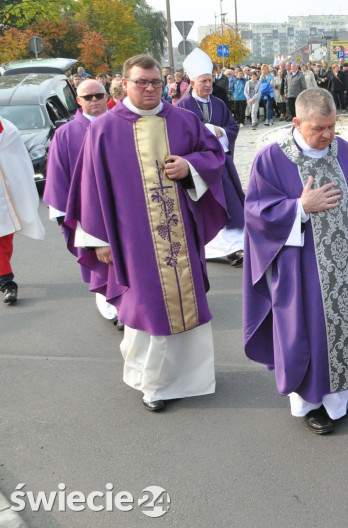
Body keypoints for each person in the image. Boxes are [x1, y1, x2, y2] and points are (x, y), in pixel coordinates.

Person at [65, 54, 227, 412]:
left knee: (186, 301)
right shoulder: (105, 129)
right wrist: (99, 239)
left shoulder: (183, 120)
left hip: (181, 235)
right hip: (133, 239)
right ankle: (155, 384)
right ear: (125, 84)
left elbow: (214, 156)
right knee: (148, 307)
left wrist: (190, 166)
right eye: (141, 82)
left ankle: (192, 377)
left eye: (155, 82)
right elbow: (90, 188)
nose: (150, 88)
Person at [243, 88, 348, 434]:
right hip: (300, 269)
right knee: (308, 333)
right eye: (319, 129)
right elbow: (256, 215)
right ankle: (309, 404)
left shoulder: (344, 151)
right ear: (297, 122)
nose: (328, 135)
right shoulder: (272, 158)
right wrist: (299, 207)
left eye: (332, 126)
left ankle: (338, 403)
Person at [42, 79, 119, 323]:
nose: (94, 100)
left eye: (98, 95)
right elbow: (56, 176)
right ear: (78, 100)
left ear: (106, 96)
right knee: (101, 259)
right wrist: (63, 215)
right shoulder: (64, 135)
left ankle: (130, 304)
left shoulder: (120, 125)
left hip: (121, 208)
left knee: (126, 257)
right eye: (88, 97)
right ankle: (112, 308)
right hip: (87, 212)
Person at [178, 49, 247, 267]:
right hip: (198, 167)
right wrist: (204, 131)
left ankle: (235, 248)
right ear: (192, 81)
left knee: (231, 204)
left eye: (210, 80)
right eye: (204, 81)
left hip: (222, 165)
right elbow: (178, 137)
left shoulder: (218, 104)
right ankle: (210, 249)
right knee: (207, 207)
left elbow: (232, 127)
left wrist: (221, 131)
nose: (208, 85)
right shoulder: (182, 107)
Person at [0, 117, 45, 305]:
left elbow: (14, 156)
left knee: (5, 237)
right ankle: (7, 281)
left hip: (5, 190)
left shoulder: (8, 128)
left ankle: (4, 275)